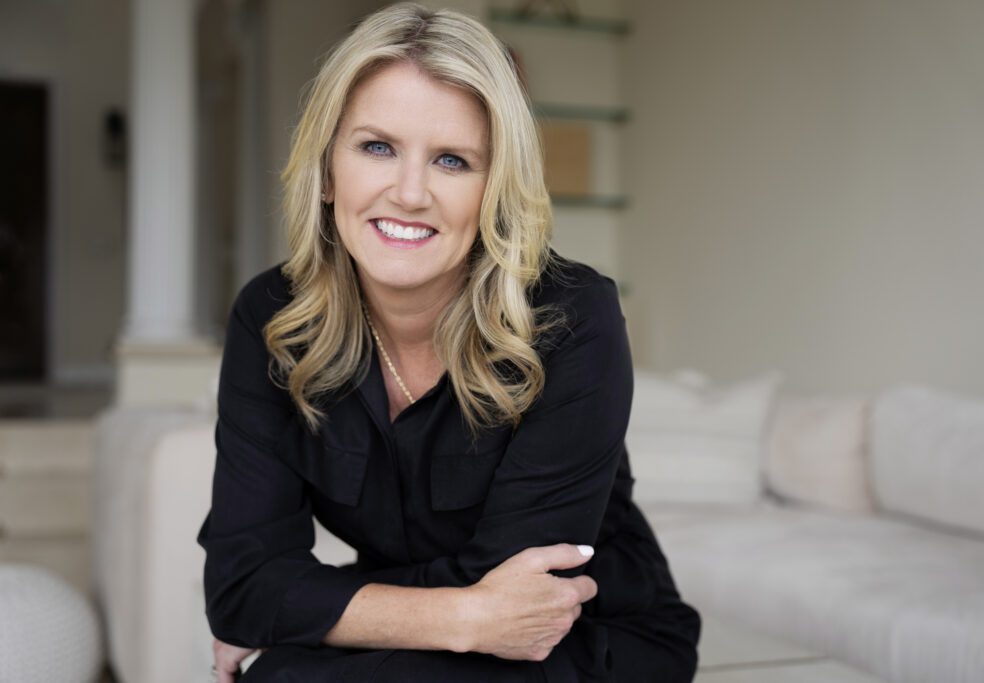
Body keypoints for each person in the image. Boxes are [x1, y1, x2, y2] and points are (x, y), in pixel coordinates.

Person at [197, 3, 701, 681]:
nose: (409, 192)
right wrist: (461, 616)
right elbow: (239, 583)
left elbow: (520, 591)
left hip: (581, 636)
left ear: (495, 189)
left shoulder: (572, 317)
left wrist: (306, 614)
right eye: (377, 146)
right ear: (326, 169)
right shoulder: (273, 318)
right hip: (446, 636)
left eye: (453, 160)